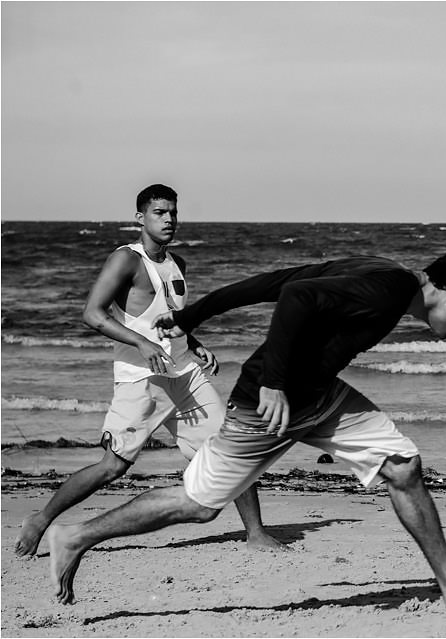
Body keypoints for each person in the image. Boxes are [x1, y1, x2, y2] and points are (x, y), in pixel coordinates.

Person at [47, 250, 446, 610]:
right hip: (267, 405)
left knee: (402, 466)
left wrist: (191, 317)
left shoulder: (378, 270)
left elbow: (271, 282)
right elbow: (296, 296)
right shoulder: (387, 289)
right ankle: (76, 536)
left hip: (320, 397)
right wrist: (272, 382)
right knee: (198, 506)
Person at [14, 184, 280, 557]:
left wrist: (196, 344)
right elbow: (92, 314)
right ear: (140, 218)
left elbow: (169, 319)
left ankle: (256, 533)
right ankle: (41, 519)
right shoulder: (126, 259)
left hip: (185, 374)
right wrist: (141, 343)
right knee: (113, 467)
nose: (169, 219)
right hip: (141, 378)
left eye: (173, 212)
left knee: (231, 447)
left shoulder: (178, 263)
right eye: (159, 212)